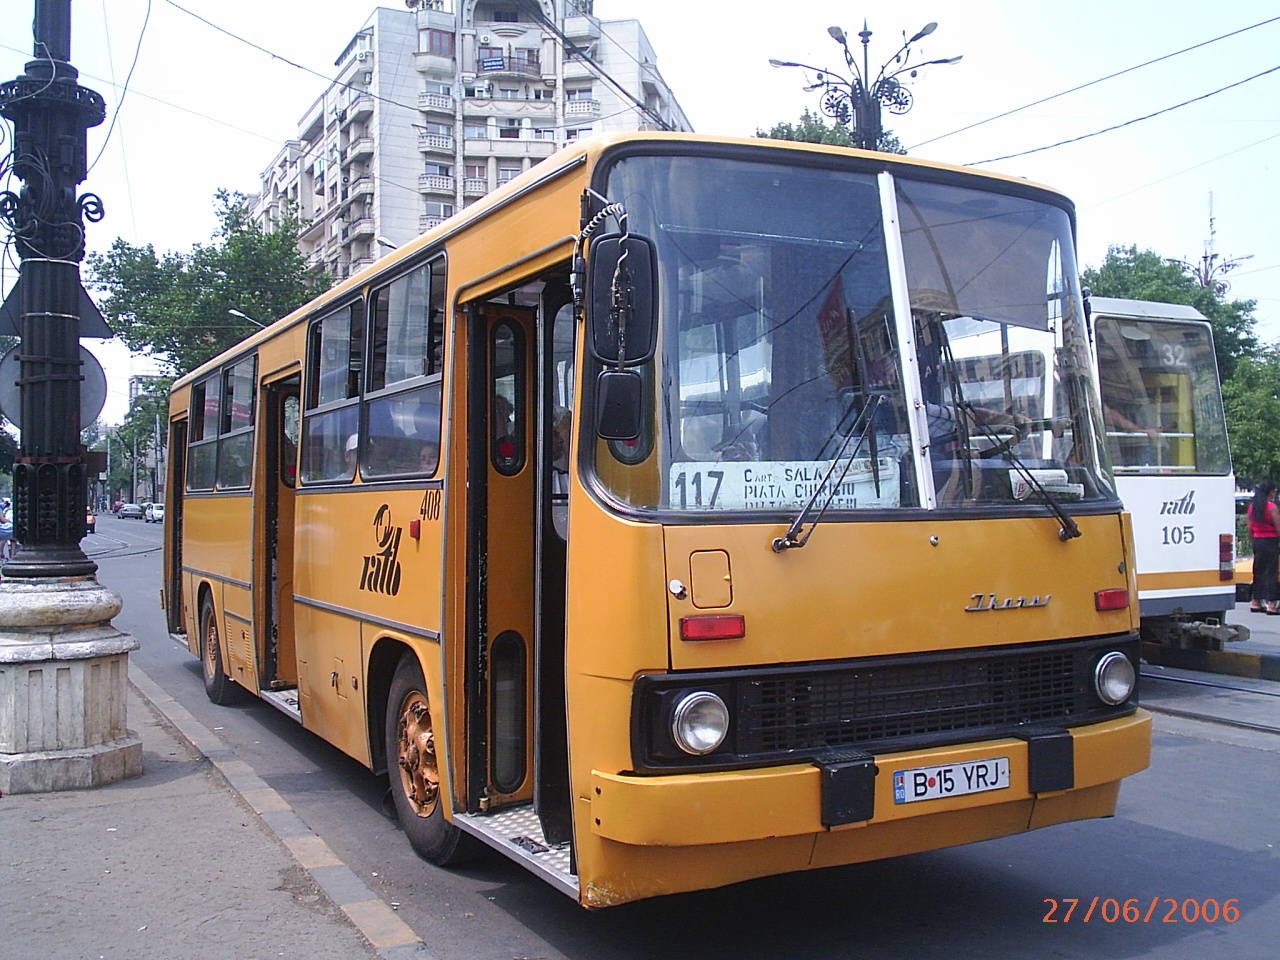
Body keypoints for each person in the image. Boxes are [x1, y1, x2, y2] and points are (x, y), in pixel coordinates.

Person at [1247, 481, 1280, 614]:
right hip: (1271, 541)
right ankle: (1271, 604)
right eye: (1274, 490)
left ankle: (1255, 601)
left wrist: (1252, 541)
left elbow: (1249, 527)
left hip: (1257, 540)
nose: (1275, 493)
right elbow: (1278, 526)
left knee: (1258, 571)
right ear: (1270, 492)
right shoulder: (1271, 507)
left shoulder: (1253, 507)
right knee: (1271, 572)